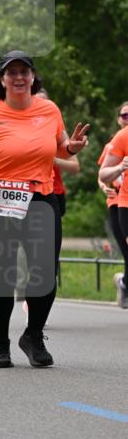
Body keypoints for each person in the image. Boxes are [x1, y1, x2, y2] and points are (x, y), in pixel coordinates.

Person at [0, 50, 88, 368]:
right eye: (11, 72)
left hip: (40, 198)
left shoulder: (49, 109)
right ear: (1, 80)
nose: (18, 77)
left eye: (24, 72)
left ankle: (33, 334)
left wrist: (72, 148)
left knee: (45, 274)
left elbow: (60, 145)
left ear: (33, 77)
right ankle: (1, 343)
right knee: (3, 273)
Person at [98, 102, 128, 308]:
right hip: (119, 201)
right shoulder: (118, 140)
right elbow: (102, 174)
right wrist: (119, 168)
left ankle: (123, 282)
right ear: (119, 119)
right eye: (125, 115)